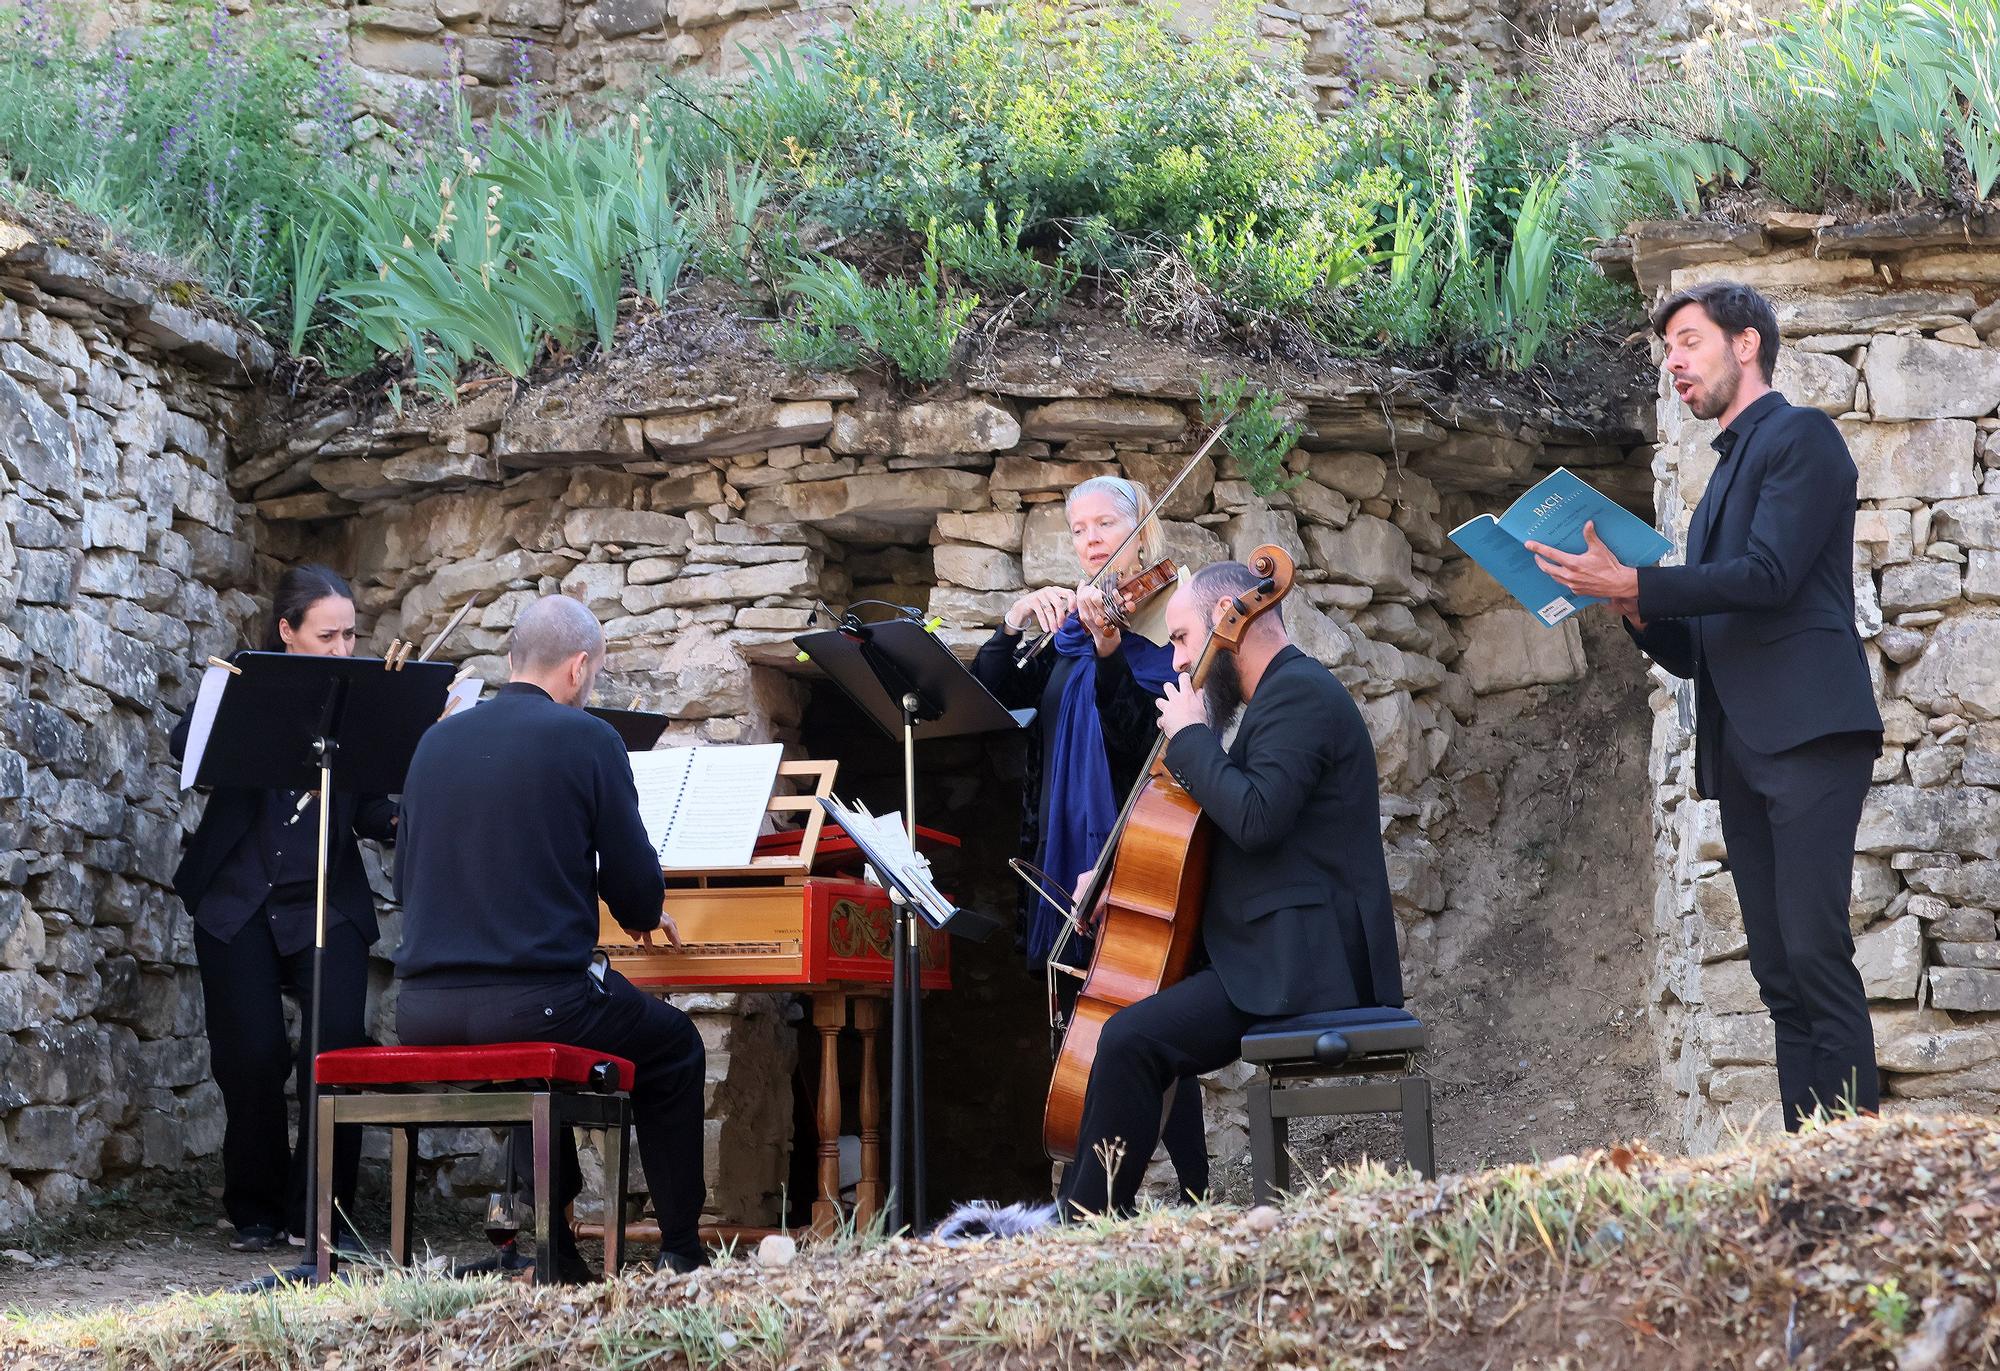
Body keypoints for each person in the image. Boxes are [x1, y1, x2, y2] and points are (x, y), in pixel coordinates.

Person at [1527, 279, 1884, 1131]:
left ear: (1746, 343)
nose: (1674, 364)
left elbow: (1768, 578)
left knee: (1815, 954)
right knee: (1777, 972)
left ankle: (1866, 1174)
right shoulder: (1721, 478)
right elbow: (1700, 646)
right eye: (1667, 352)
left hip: (1811, 733)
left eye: (1688, 341)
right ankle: (1811, 1161)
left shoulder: (1803, 437)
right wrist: (1635, 608)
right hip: (1747, 746)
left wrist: (1644, 577)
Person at [1057, 561, 1404, 1218]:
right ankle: (1095, 1211)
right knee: (1138, 1031)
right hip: (1276, 950)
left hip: (1305, 964)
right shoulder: (1279, 698)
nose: (1178, 659)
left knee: (1132, 1038)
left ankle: (1081, 1221)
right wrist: (1120, 882)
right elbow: (1227, 828)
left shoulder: (1299, 694)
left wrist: (1189, 735)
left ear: (1227, 622)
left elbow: (1255, 817)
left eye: (1184, 638)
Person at [392, 594, 708, 1278]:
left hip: (422, 1008)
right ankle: (683, 1250)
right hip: (537, 1002)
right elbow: (637, 891)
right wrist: (640, 914)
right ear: (580, 666)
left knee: (542, 1048)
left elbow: (404, 879)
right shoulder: (588, 737)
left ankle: (552, 1248)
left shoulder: (433, 740)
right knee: (675, 1045)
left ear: (511, 661)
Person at [969, 475, 1210, 1200]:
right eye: (1079, 529)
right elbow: (993, 691)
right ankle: (1094, 1190)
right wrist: (1014, 621)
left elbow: (1144, 738)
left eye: (1107, 523)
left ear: (1142, 534)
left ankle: (1187, 1188)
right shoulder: (1062, 632)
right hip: (1063, 854)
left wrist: (1111, 653)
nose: (1093, 538)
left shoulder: (1161, 627)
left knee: (1151, 1029)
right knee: (1079, 1022)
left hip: (1137, 853)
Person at [169, 565, 394, 1253]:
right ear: (287, 631)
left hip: (328, 902)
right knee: (251, 1054)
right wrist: (243, 696)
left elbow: (380, 812)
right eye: (326, 634)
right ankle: (257, 1210)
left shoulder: (366, 700)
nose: (341, 647)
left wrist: (426, 758)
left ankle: (322, 1214)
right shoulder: (249, 687)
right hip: (238, 900)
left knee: (335, 1053)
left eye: (350, 634)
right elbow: (187, 747)